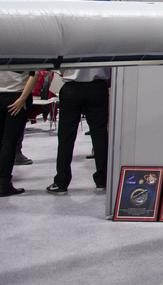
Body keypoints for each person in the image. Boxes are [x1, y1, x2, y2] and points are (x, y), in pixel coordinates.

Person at [47, 66, 111, 194]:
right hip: (97, 87)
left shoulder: (69, 44)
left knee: (66, 138)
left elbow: (59, 68)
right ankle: (102, 179)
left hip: (72, 87)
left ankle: (61, 182)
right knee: (100, 136)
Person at [1, 70, 36, 196]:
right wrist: (22, 99)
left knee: (6, 143)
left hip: (12, 96)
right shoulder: (22, 50)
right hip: (16, 95)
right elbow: (35, 73)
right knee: (9, 143)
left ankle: (4, 183)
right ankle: (4, 184)